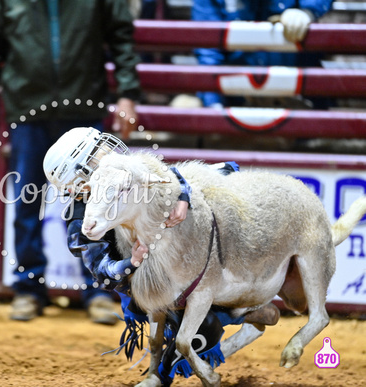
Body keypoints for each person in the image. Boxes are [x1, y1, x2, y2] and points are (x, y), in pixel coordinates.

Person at [43, 127, 280, 385]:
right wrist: (131, 263)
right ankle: (236, 313)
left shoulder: (129, 174)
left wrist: (183, 196)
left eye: (104, 145)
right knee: (194, 327)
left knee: (202, 296)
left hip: (181, 261)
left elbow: (174, 175)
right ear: (81, 177)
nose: (110, 152)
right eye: (98, 153)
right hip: (141, 284)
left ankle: (228, 315)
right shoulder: (81, 222)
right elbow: (103, 273)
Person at [0, 0, 142, 323]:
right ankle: (29, 289)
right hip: (28, 110)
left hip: (82, 110)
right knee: (26, 203)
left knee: (92, 204)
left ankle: (98, 288)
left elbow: (121, 38)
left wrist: (127, 93)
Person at [190, 0, 334, 109]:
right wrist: (214, 106)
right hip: (238, 99)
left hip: (297, 95)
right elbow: (208, 52)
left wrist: (308, 10)